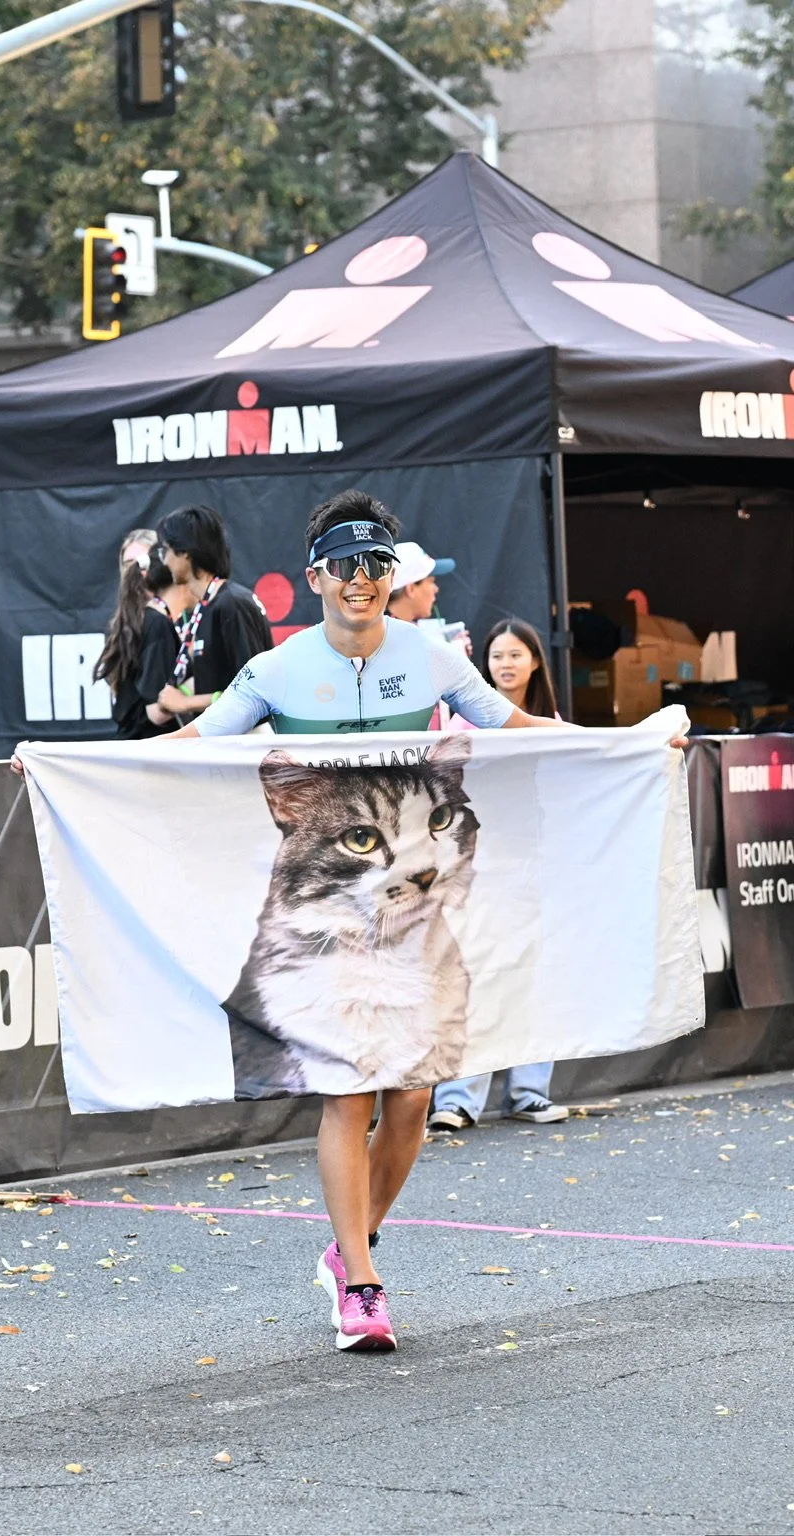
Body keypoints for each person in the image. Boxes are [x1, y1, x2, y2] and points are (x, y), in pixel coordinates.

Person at [176, 490, 569, 1351]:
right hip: (329, 922)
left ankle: (352, 1241)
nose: (361, 581)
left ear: (392, 576)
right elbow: (193, 744)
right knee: (349, 1097)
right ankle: (360, 1281)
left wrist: (629, 741)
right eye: (346, 566)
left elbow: (513, 724)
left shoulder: (430, 656)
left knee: (415, 1097)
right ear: (315, 575)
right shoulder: (278, 669)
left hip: (415, 917)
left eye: (376, 566)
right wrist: (60, 763)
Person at [429, 618, 569, 1131]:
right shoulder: (463, 719)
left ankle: (529, 1091)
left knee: (532, 972)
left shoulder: (549, 720)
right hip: (473, 867)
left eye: (515, 655)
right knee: (472, 974)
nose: (505, 664)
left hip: (530, 861)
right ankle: (458, 1099)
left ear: (535, 661)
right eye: (496, 656)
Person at [146, 504, 272, 726]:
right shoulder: (210, 605)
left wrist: (186, 703)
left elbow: (256, 694)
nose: (164, 561)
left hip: (246, 751)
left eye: (165, 550)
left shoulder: (231, 604)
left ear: (185, 553)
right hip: (223, 747)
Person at [95, 530, 180, 739]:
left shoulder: (167, 618)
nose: (133, 570)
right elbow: (156, 712)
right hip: (151, 751)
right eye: (127, 563)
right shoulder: (140, 624)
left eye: (140, 562)